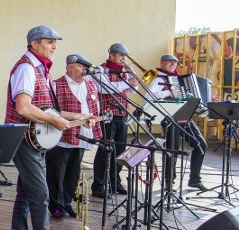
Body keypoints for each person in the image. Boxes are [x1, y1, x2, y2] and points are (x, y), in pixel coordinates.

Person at [4, 25, 77, 230]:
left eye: (55, 42)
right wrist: (56, 121)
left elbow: (46, 108)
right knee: (41, 195)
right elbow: (23, 107)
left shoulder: (40, 70)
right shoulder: (26, 68)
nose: (54, 46)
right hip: (24, 141)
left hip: (32, 140)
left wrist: (78, 115)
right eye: (49, 42)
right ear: (34, 44)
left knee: (26, 194)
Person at [46, 54, 102, 218]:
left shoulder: (91, 85)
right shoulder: (56, 85)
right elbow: (51, 111)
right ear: (69, 67)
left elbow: (94, 108)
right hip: (60, 137)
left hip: (80, 136)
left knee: (73, 173)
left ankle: (66, 202)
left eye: (84, 66)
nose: (83, 69)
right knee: (57, 173)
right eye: (79, 66)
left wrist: (92, 119)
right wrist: (77, 116)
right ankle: (56, 205)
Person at [147, 54, 208, 191]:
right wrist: (168, 92)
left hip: (184, 115)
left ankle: (195, 179)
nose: (173, 64)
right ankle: (169, 183)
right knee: (171, 150)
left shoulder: (180, 79)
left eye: (175, 62)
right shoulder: (157, 78)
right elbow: (148, 95)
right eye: (170, 62)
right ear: (162, 63)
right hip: (169, 117)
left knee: (201, 144)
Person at [91, 43, 138, 198]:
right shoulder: (100, 70)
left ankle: (114, 181)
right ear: (112, 55)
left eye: (125, 56)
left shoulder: (124, 72)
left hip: (122, 114)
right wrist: (125, 83)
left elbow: (131, 90)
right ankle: (98, 184)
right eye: (121, 55)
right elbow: (104, 89)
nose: (124, 58)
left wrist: (133, 79)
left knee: (120, 150)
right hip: (107, 115)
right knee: (105, 149)